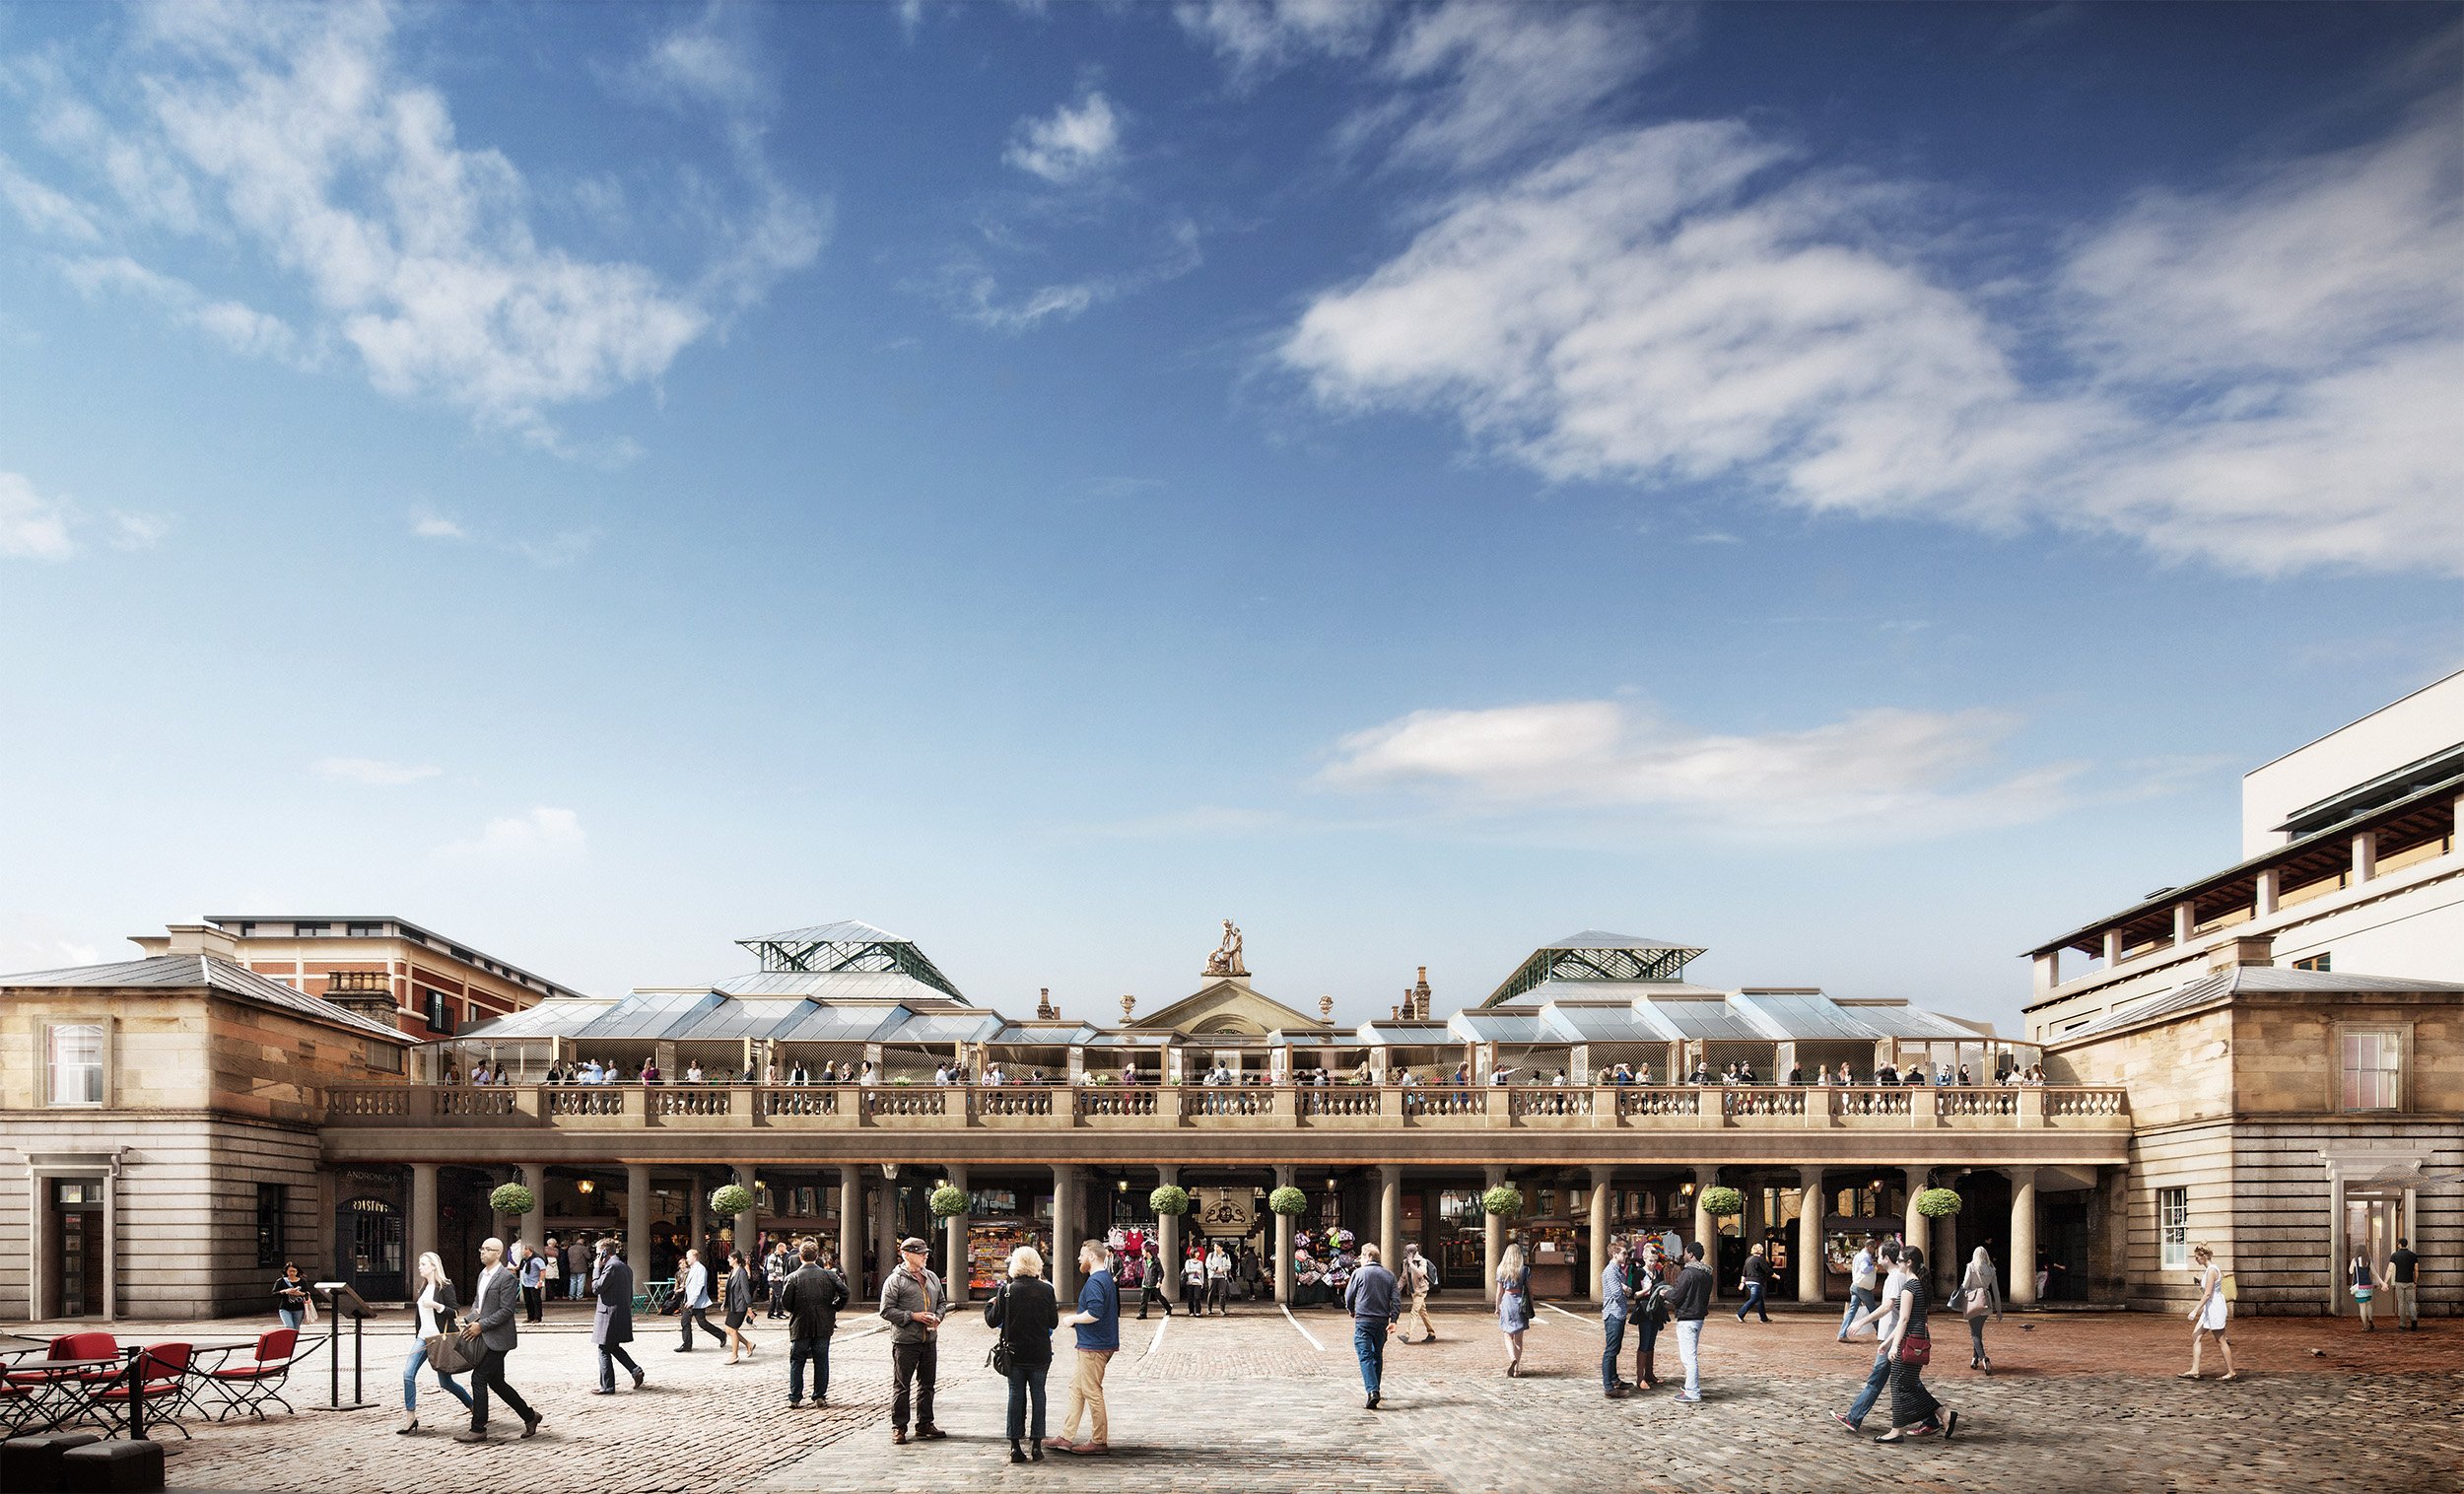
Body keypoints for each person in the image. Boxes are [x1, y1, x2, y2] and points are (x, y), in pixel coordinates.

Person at [453, 1237, 542, 1443]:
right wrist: (470, 1319)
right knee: (496, 1382)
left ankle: (478, 1429)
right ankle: (530, 1416)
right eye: (481, 1248)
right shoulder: (482, 1275)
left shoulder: (506, 1277)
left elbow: (506, 1311)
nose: (482, 1252)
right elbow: (479, 1302)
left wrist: (481, 1325)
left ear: (498, 1253)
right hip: (485, 1335)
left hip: (500, 1338)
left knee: (479, 1377)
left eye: (487, 1249)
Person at [985, 1245, 1059, 1463]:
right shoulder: (1047, 1290)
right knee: (1039, 1395)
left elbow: (992, 1322)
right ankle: (1036, 1444)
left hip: (1014, 1353)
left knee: (1015, 1395)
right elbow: (1053, 1322)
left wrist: (989, 1306)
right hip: (1039, 1352)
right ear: (1037, 1264)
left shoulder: (1006, 1291)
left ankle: (1015, 1446)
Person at [1871, 1245, 1953, 1443]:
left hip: (1910, 1339)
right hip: (1915, 1337)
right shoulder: (1917, 1284)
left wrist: (1893, 1345)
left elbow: (1904, 1319)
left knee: (1899, 1383)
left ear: (1909, 1263)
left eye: (1900, 1260)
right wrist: (1888, 1342)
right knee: (1907, 1383)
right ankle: (1944, 1414)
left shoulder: (1910, 1287)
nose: (1897, 1262)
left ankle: (1896, 1431)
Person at [1052, 1239, 1120, 1455]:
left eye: (1082, 1254)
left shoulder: (1094, 1282)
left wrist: (1072, 1319)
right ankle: (1066, 1436)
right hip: (1095, 1344)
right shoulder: (1105, 1279)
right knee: (1077, 1389)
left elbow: (1095, 1313)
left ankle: (1099, 1441)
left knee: (1091, 1391)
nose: (1079, 1259)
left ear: (1091, 1256)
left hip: (1094, 1345)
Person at [879, 1236, 947, 1445]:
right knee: (902, 1385)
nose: (925, 1256)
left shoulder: (932, 1277)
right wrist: (912, 1316)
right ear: (907, 1255)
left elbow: (942, 1302)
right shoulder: (895, 1280)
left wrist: (938, 1317)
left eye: (925, 1253)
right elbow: (886, 1310)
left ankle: (925, 1423)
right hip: (905, 1342)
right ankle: (899, 1426)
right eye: (921, 1253)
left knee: (927, 1384)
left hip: (928, 1339)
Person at [399, 1251, 476, 1434]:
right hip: (422, 1339)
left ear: (433, 1266)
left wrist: (436, 1306)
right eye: (420, 1264)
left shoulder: (445, 1286)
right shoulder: (423, 1287)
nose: (420, 1267)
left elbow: (454, 1312)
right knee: (408, 1374)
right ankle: (411, 1417)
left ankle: (474, 1407)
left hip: (440, 1339)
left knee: (446, 1383)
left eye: (423, 1264)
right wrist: (417, 1334)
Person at [1835, 1242, 1907, 1433]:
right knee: (1907, 1383)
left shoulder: (1894, 1278)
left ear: (1887, 1258)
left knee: (1878, 1381)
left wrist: (1862, 1322)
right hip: (1892, 1337)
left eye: (1881, 1255)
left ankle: (1854, 1417)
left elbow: (1887, 1307)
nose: (1878, 1257)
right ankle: (1936, 1418)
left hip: (1892, 1338)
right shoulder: (1898, 1276)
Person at [780, 1242, 851, 1408]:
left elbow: (786, 1303)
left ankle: (795, 1396)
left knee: (797, 1360)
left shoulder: (792, 1278)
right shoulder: (829, 1275)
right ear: (817, 1256)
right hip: (822, 1322)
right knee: (821, 1359)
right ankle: (819, 1395)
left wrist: (796, 1310)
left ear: (800, 1257)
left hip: (800, 1323)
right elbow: (845, 1292)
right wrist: (834, 1307)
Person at [1343, 1242, 1401, 1410]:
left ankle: (1372, 1391)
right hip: (1382, 1321)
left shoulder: (1359, 1274)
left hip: (1363, 1320)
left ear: (1367, 1256)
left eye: (1361, 1256)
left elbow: (1349, 1296)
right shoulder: (1389, 1276)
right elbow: (1396, 1301)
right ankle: (1375, 1388)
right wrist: (1394, 1320)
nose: (1360, 1259)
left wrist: (1351, 1310)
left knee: (1365, 1355)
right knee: (1377, 1355)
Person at [587, 1238, 644, 1395]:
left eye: (598, 1254)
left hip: (609, 1314)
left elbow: (596, 1287)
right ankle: (635, 1370)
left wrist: (596, 1269)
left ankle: (607, 1386)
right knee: (612, 1347)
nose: (597, 1257)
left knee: (603, 1349)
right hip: (619, 1312)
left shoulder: (611, 1267)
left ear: (605, 1253)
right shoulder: (624, 1267)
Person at [2182, 1244, 2236, 1381]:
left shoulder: (2212, 1270)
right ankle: (2194, 1370)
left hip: (2215, 1309)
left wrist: (2194, 1311)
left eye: (2197, 1257)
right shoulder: (2209, 1270)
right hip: (2209, 1308)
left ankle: (2231, 1372)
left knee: (2221, 1341)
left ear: (2204, 1256)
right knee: (2196, 1336)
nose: (2196, 1260)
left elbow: (2207, 1294)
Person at [1670, 1240, 1713, 1404]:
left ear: (1691, 1255)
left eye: (1686, 1252)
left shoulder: (1688, 1273)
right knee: (1691, 1354)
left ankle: (1693, 1392)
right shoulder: (1707, 1273)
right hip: (1699, 1317)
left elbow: (1676, 1296)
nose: (1684, 1254)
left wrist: (1665, 1293)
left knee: (1689, 1358)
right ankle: (1689, 1385)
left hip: (1687, 1317)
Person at [1958, 1245, 2003, 1371]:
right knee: (1978, 1332)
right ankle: (1974, 1359)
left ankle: (1984, 1358)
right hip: (1986, 1302)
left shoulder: (1971, 1266)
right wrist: (1998, 1310)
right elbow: (1996, 1291)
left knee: (1974, 1334)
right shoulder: (1991, 1269)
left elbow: (1965, 1284)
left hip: (1973, 1301)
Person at [1600, 1239, 1633, 1399]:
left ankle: (1614, 1379)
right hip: (1613, 1313)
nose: (1626, 1256)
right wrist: (1625, 1290)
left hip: (1618, 1313)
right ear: (1615, 1254)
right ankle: (1608, 1386)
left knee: (1615, 1348)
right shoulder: (1611, 1271)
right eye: (1624, 1253)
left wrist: (1625, 1289)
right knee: (1611, 1350)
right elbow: (1616, 1293)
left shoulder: (1618, 1270)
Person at [1495, 1243, 1532, 1377]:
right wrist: (1531, 1304)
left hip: (1507, 1301)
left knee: (1507, 1334)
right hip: (1520, 1302)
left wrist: (1497, 1307)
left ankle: (1512, 1358)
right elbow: (1530, 1290)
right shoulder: (1524, 1270)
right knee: (1519, 1339)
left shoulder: (1501, 1269)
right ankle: (1517, 1369)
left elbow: (1499, 1292)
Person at [674, 1248, 720, 1351]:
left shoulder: (700, 1269)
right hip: (690, 1301)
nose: (686, 1259)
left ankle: (721, 1335)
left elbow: (700, 1286)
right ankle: (687, 1345)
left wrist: (692, 1301)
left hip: (696, 1301)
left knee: (702, 1323)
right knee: (685, 1321)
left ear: (694, 1257)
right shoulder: (692, 1268)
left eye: (688, 1257)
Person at [721, 1250, 761, 1363]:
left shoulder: (742, 1272)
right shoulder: (733, 1271)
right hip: (733, 1306)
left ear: (735, 1259)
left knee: (733, 1330)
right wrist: (724, 1304)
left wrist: (749, 1307)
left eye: (729, 1258)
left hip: (740, 1306)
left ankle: (735, 1355)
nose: (728, 1260)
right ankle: (748, 1344)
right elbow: (729, 1290)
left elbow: (745, 1290)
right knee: (728, 1330)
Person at [1839, 1236, 1880, 1341]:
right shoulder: (1865, 1257)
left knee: (1852, 1311)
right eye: (1874, 1248)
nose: (1874, 1251)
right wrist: (1873, 1266)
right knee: (1873, 1310)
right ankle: (1880, 1332)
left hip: (1855, 1285)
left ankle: (1842, 1334)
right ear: (1870, 1247)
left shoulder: (1858, 1255)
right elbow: (1865, 1269)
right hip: (1863, 1287)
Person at [1401, 1243, 1438, 1343]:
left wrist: (1411, 1264)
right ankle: (1431, 1333)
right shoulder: (1405, 1263)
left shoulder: (1422, 1261)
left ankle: (1407, 1335)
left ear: (1411, 1253)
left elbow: (1421, 1273)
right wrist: (1396, 1290)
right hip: (1413, 1290)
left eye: (1406, 1251)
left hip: (1421, 1290)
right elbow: (1403, 1278)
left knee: (1414, 1312)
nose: (1404, 1253)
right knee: (1423, 1312)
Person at [1735, 1241, 1772, 1323]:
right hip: (1756, 1282)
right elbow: (1767, 1270)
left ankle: (1763, 1318)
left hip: (1748, 1282)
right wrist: (1776, 1275)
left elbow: (1744, 1272)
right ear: (1760, 1250)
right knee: (1754, 1299)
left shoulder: (1748, 1259)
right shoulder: (1759, 1259)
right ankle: (1740, 1313)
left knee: (1759, 1300)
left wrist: (1742, 1283)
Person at [2349, 1249, 2386, 1330]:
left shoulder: (2355, 1260)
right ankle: (2370, 1320)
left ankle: (2365, 1326)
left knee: (2362, 1307)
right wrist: (2382, 1283)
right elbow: (2374, 1273)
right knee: (2369, 1304)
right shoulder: (2368, 1260)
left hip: (2360, 1286)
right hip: (2368, 1286)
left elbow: (2350, 1271)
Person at [2390, 1238, 2420, 1329]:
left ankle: (2402, 1324)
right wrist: (2415, 1281)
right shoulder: (2413, 1255)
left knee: (2401, 1303)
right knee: (2411, 1302)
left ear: (2399, 1244)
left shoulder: (2395, 1255)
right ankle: (2414, 1320)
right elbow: (2416, 1270)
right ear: (2406, 1244)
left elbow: (2390, 1269)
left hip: (2399, 1281)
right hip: (2410, 1281)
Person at [1137, 1243, 1173, 1320]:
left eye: (1143, 1252)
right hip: (1145, 1283)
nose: (1142, 1254)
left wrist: (1159, 1281)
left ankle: (1168, 1308)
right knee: (1143, 1299)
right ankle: (1142, 1314)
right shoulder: (1144, 1261)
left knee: (1159, 1297)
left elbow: (1161, 1272)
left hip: (1153, 1283)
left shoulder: (1156, 1261)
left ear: (1148, 1253)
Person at [274, 1261, 309, 1330]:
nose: (292, 1273)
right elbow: (274, 1293)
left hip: (299, 1309)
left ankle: (293, 1341)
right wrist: (285, 1291)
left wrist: (300, 1293)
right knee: (289, 1327)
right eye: (290, 1271)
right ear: (286, 1271)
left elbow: (307, 1294)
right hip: (285, 1308)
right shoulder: (281, 1281)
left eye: (294, 1271)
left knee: (296, 1329)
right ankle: (288, 1341)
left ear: (297, 1271)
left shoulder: (303, 1282)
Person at [516, 1241, 545, 1324]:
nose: (523, 1251)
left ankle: (537, 1317)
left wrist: (540, 1281)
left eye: (524, 1250)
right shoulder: (525, 1260)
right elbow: (521, 1268)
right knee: (528, 1300)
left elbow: (542, 1270)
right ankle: (530, 1316)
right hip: (526, 1283)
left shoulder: (537, 1259)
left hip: (534, 1283)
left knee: (535, 1300)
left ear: (528, 1250)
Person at [1205, 1243, 1233, 1315]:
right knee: (1211, 1293)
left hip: (1222, 1277)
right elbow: (1207, 1264)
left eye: (1217, 1247)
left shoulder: (1226, 1255)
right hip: (1212, 1276)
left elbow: (1229, 1266)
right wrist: (1215, 1268)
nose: (1215, 1248)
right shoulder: (1211, 1255)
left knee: (1222, 1293)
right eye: (1215, 1247)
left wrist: (1223, 1269)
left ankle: (1222, 1310)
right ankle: (1209, 1309)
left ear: (1221, 1248)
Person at [565, 1236, 591, 1301]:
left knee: (573, 1281)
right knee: (580, 1282)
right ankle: (579, 1296)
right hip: (581, 1267)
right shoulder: (583, 1248)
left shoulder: (570, 1248)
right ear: (583, 1243)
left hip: (572, 1267)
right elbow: (588, 1257)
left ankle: (571, 1296)